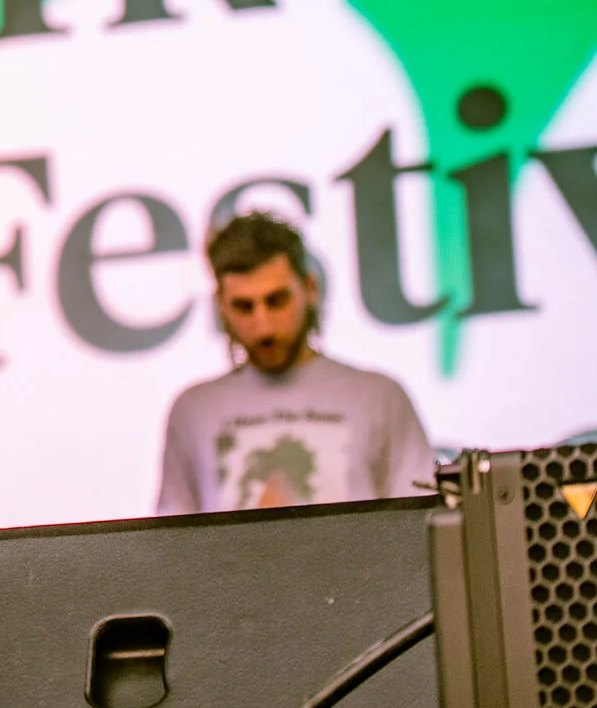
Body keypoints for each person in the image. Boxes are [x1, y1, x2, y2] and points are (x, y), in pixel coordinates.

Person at [156, 211, 434, 514]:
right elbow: (175, 539)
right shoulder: (192, 410)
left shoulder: (380, 396)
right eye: (244, 307)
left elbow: (421, 526)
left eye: (276, 301)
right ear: (221, 306)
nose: (263, 327)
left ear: (310, 289)